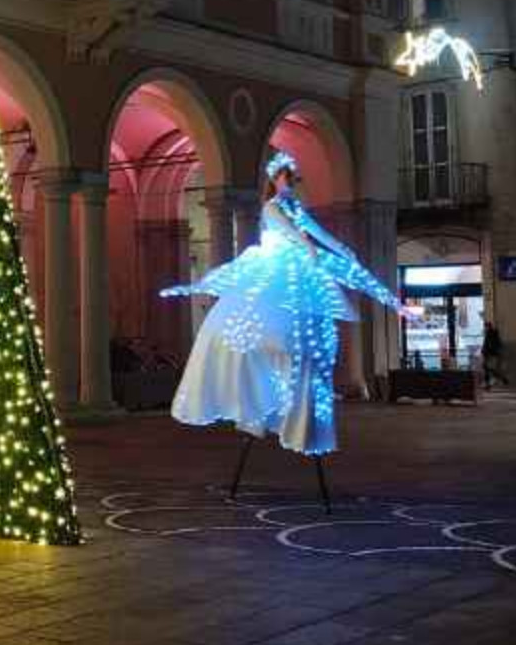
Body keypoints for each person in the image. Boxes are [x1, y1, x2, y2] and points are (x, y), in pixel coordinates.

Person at [162, 151, 402, 455]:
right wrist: (307, 247)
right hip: (277, 270)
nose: (289, 182)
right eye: (284, 177)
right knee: (265, 330)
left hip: (300, 269)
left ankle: (294, 410)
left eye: (292, 177)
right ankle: (258, 400)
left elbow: (316, 230)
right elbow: (293, 233)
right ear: (275, 180)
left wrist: (341, 249)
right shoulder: (271, 208)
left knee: (309, 336)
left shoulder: (294, 206)